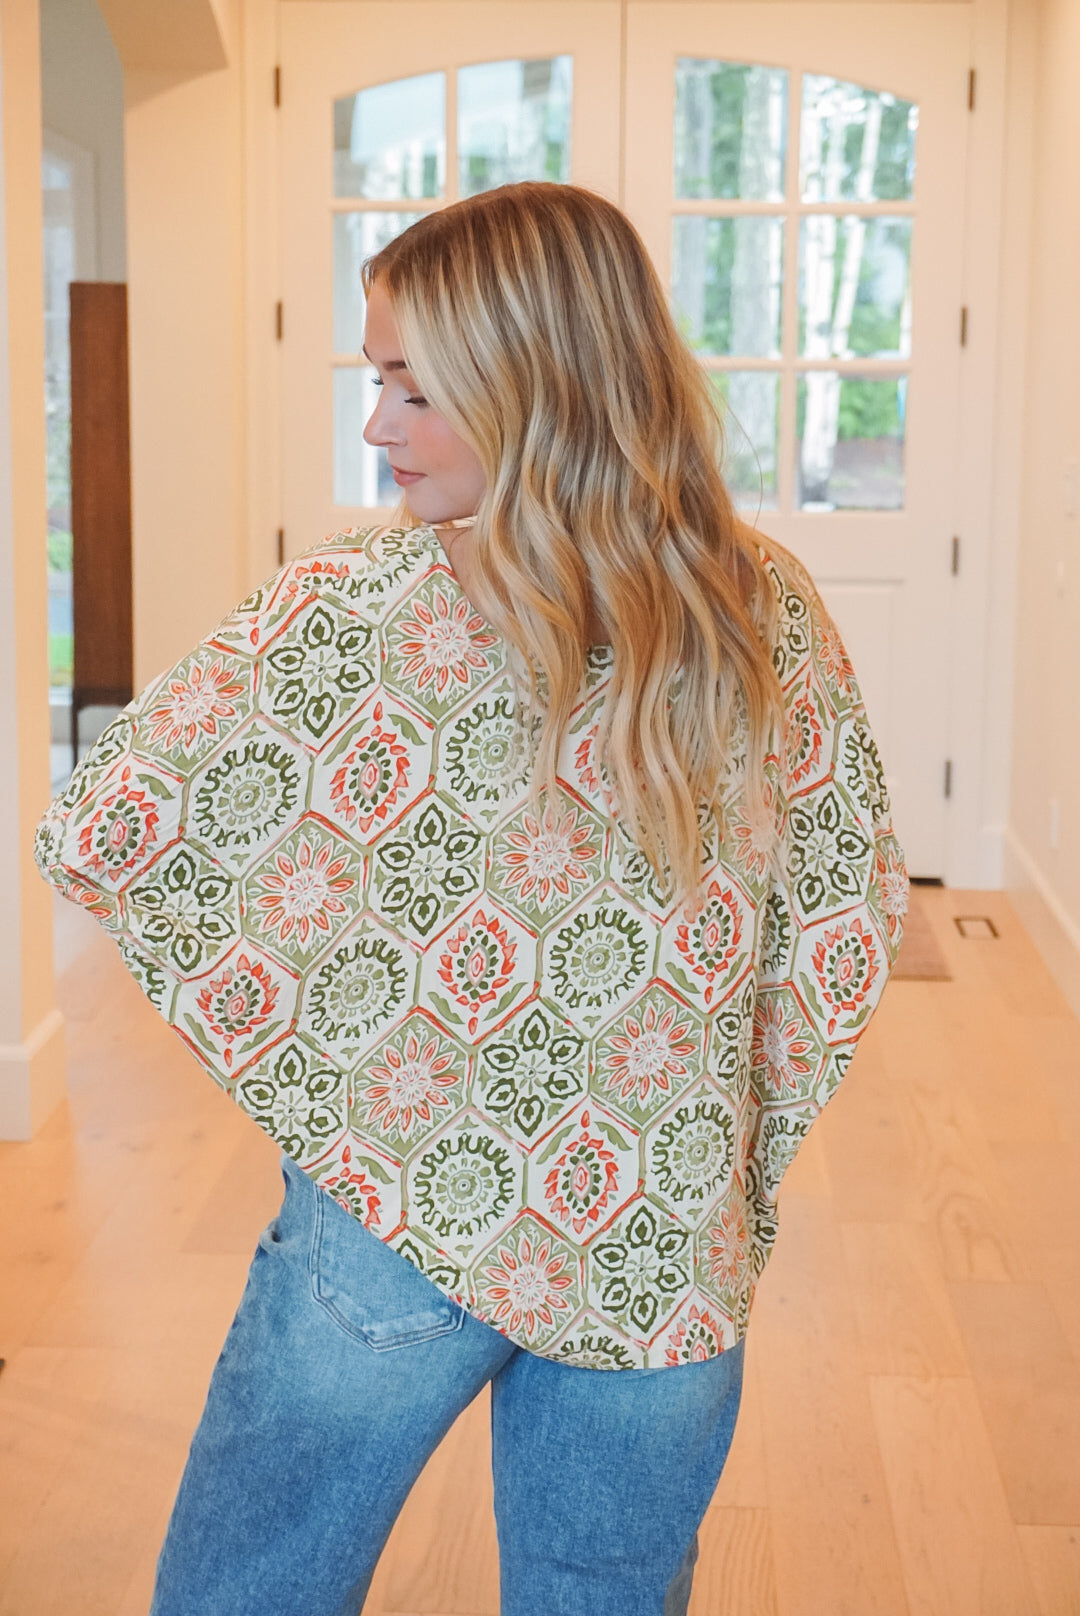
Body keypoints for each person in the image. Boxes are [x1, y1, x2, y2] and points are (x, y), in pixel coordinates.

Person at [34, 182, 907, 1616]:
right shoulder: (764, 608)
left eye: (414, 390)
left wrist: (340, 1040)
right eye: (374, 379)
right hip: (658, 1245)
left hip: (393, 1221)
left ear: (539, 387)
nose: (376, 426)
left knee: (253, 1584)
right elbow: (843, 916)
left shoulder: (355, 606)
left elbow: (116, 823)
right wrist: (710, 1146)